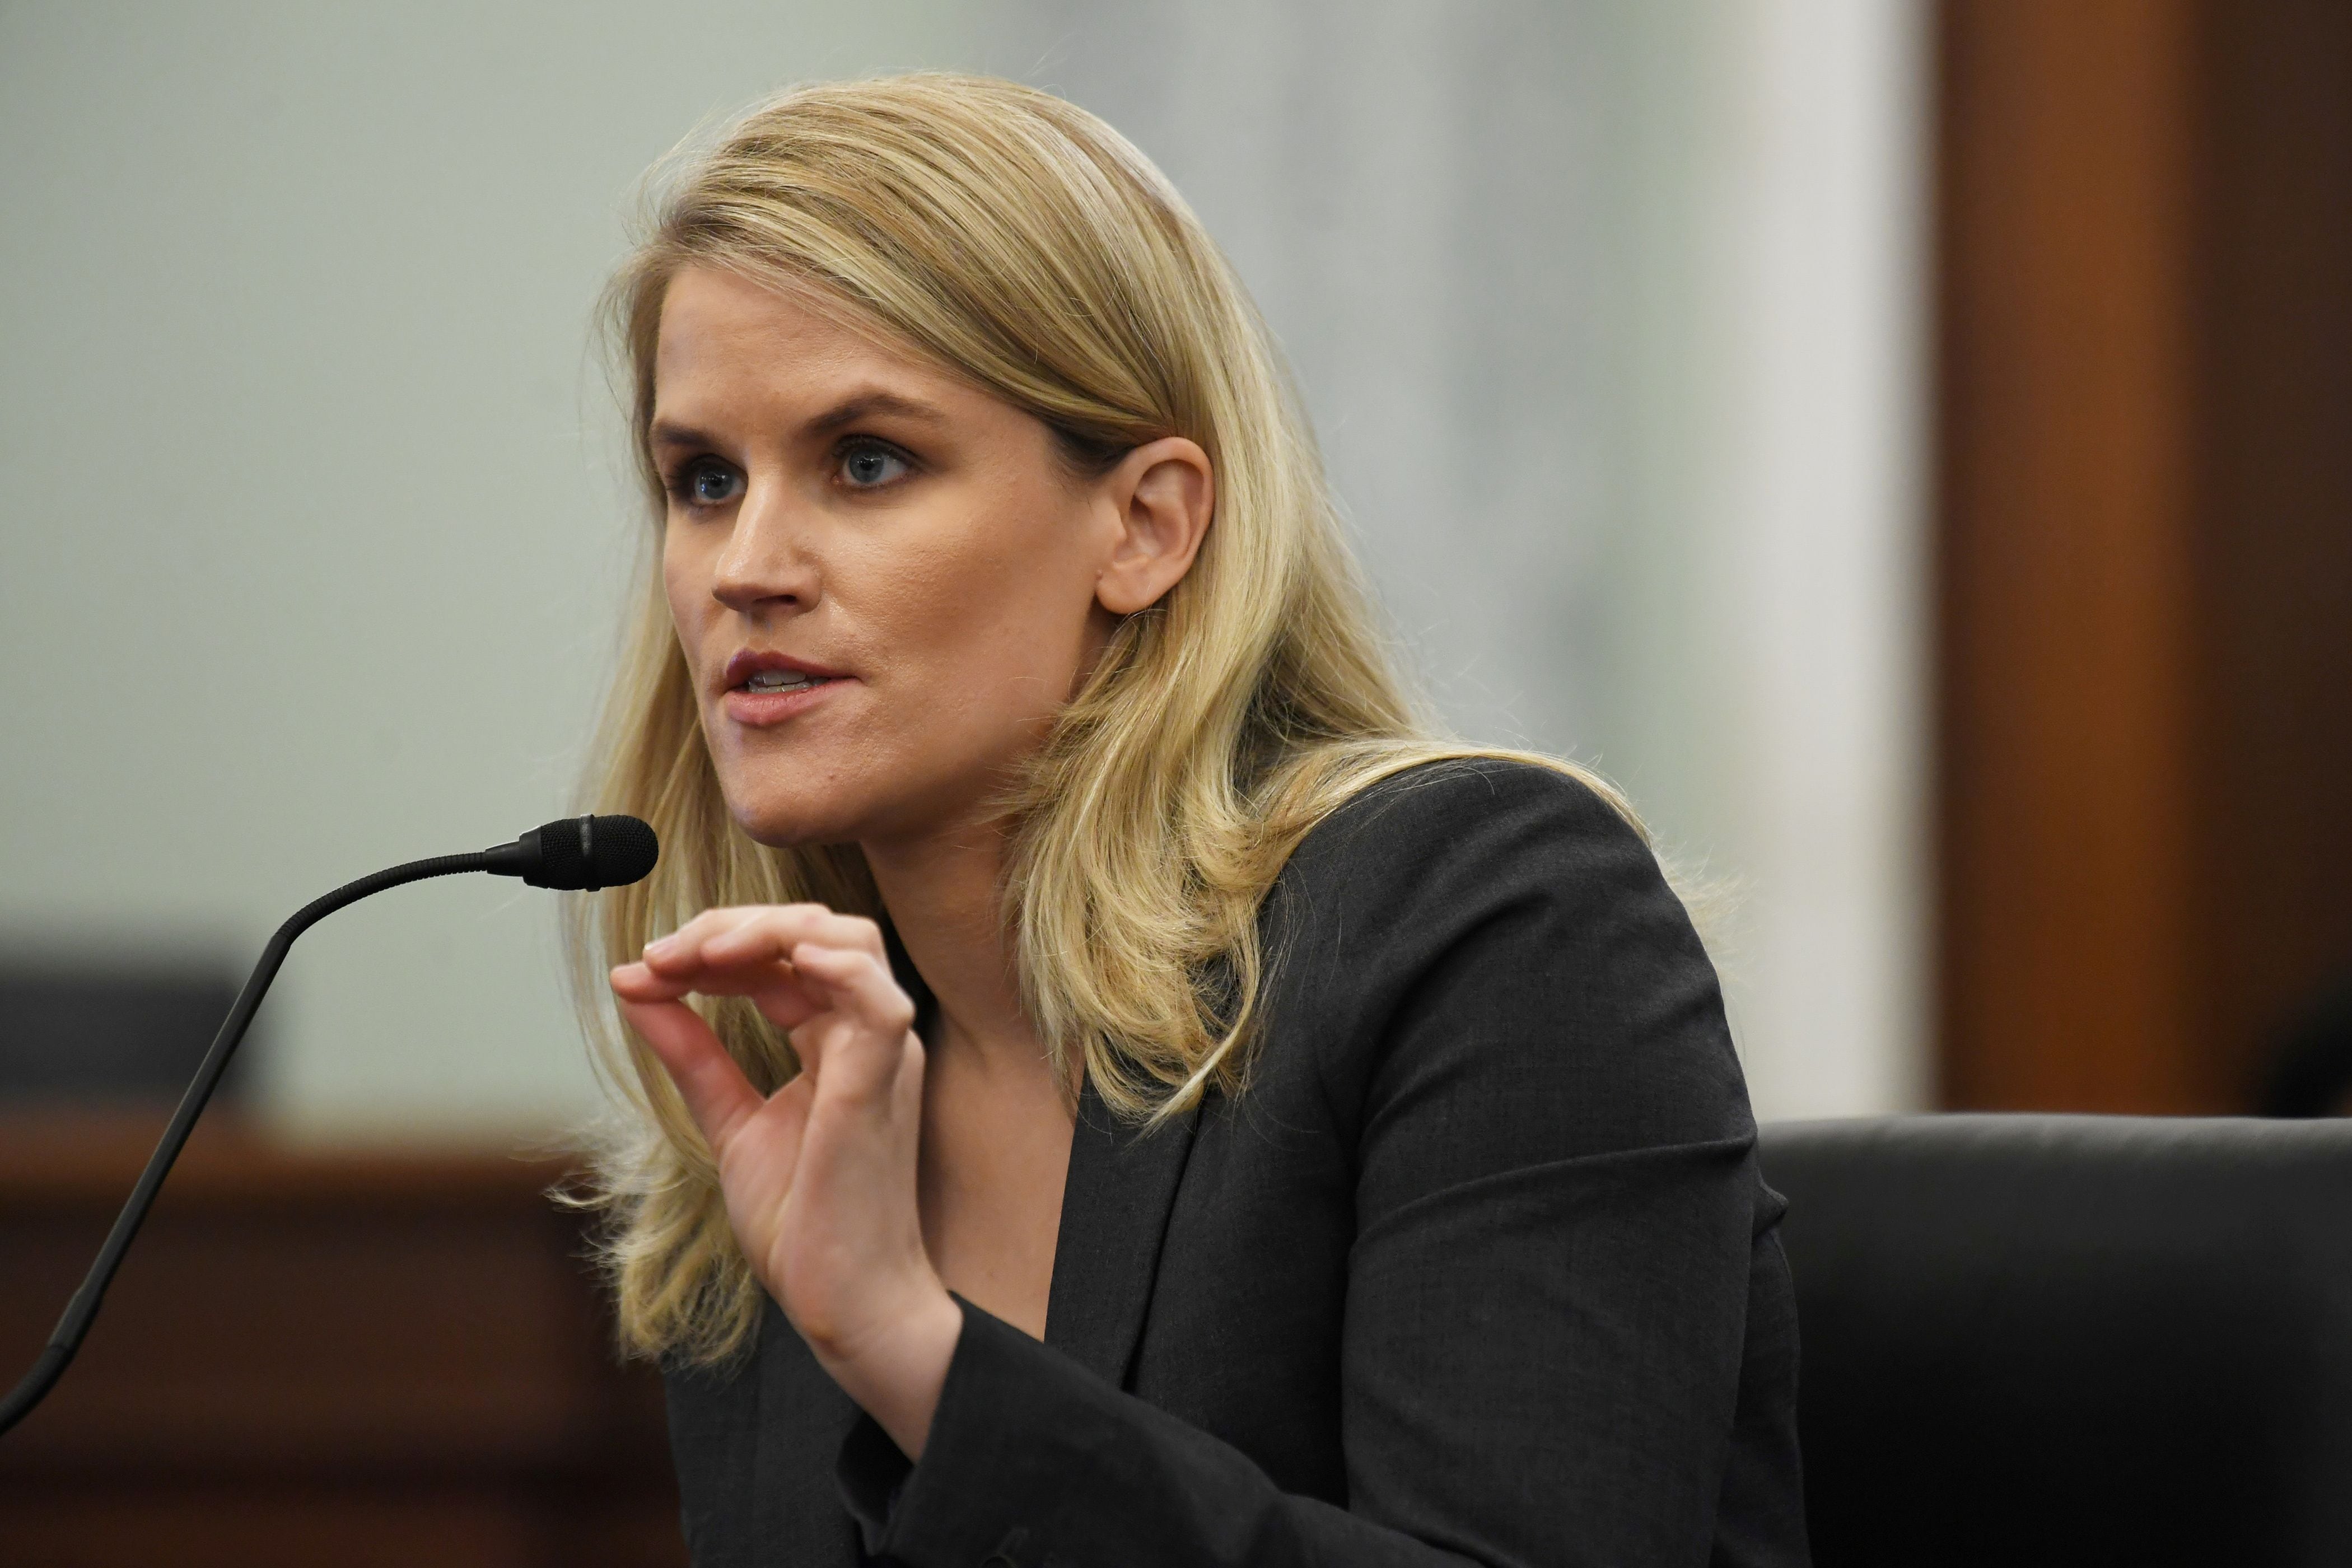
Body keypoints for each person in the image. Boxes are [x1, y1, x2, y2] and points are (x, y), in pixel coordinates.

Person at [570, 72, 1807, 1568]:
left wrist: (911, 1349)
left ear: (1145, 524)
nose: (743, 565)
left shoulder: (1493, 924)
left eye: (868, 461)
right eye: (702, 478)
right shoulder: (790, 1083)